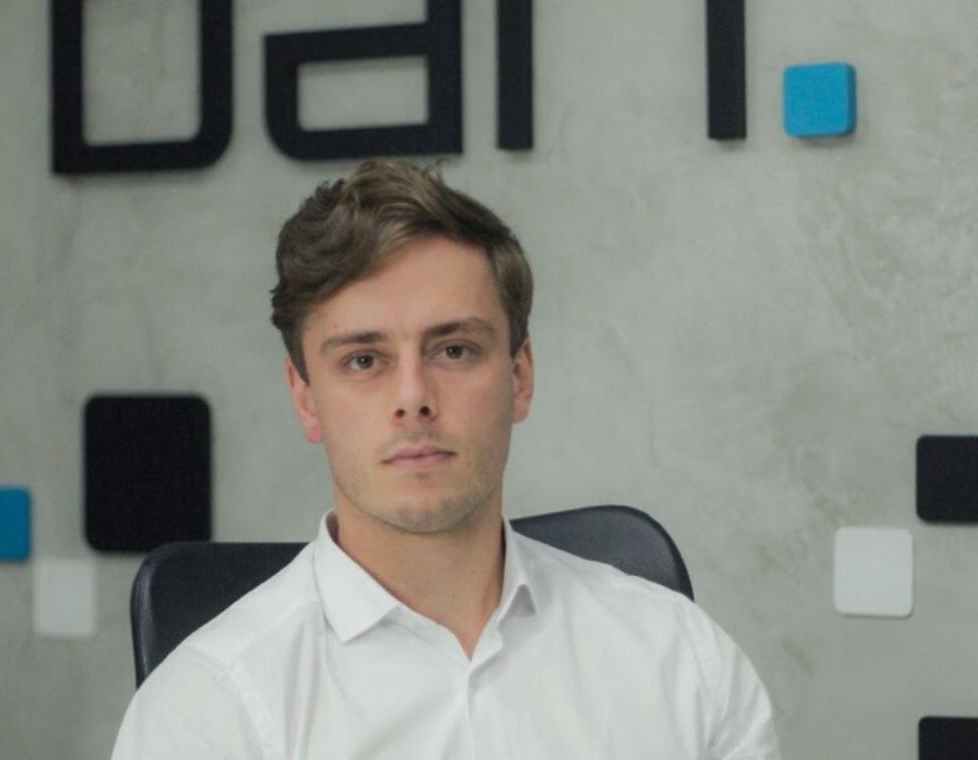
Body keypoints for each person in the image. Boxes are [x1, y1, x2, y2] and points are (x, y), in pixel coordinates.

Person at [111, 159, 781, 759]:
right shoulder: (208, 711)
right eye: (364, 360)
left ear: (519, 376)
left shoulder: (683, 659)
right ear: (306, 399)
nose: (413, 398)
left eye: (454, 350)